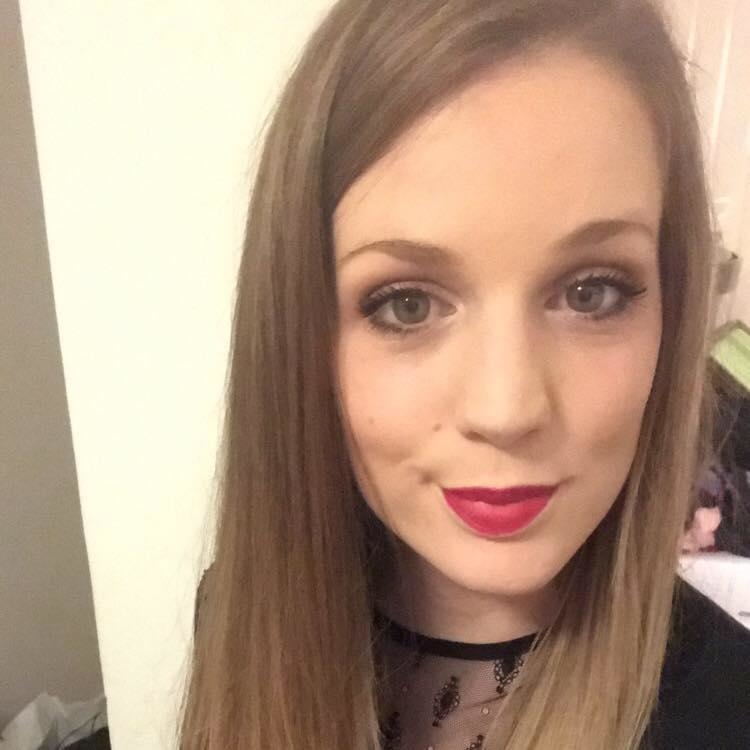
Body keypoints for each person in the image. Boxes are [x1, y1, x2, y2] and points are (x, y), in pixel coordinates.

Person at [178, 1, 750, 748]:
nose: (506, 409)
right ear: (300, 335)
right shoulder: (240, 616)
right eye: (407, 304)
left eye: (591, 293)